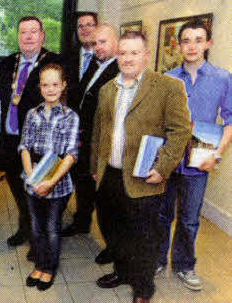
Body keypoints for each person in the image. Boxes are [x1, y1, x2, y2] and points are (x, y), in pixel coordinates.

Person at [92, 32, 191, 303]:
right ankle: (122, 272)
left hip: (145, 177)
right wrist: (95, 167)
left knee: (143, 236)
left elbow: (181, 131)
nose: (127, 58)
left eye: (134, 52)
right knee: (113, 229)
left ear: (146, 55)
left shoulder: (167, 87)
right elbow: (99, 131)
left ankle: (143, 288)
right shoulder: (107, 89)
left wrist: (163, 167)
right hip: (110, 175)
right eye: (123, 53)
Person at [157, 19, 231, 291]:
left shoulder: (223, 79)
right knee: (162, 215)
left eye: (199, 40)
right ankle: (157, 259)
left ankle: (184, 265)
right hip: (167, 159)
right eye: (186, 40)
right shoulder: (167, 79)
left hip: (199, 162)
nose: (192, 46)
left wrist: (219, 155)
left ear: (208, 43)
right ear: (178, 44)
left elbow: (230, 119)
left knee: (189, 219)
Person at [0, 16, 61, 250]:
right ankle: (26, 227)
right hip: (11, 140)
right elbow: (0, 102)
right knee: (18, 188)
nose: (29, 37)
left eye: (34, 32)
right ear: (18, 37)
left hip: (38, 144)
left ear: (42, 36)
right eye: (24, 32)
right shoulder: (7, 63)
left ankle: (39, 240)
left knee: (39, 192)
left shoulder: (53, 63)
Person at [63, 25, 120, 265]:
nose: (98, 47)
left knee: (104, 196)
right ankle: (81, 222)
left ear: (116, 42)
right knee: (83, 184)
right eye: (96, 43)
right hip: (82, 137)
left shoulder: (119, 71)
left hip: (102, 143)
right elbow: (81, 94)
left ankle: (113, 246)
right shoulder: (96, 65)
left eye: (103, 42)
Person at [20, 63, 79, 291]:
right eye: (45, 85)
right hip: (34, 181)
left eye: (55, 84)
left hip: (58, 183)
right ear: (39, 87)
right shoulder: (32, 114)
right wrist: (33, 178)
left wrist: (50, 182)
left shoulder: (70, 117)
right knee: (36, 226)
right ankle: (39, 263)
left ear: (63, 85)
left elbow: (71, 154)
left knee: (52, 227)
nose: (50, 89)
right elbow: (24, 146)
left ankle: (50, 268)